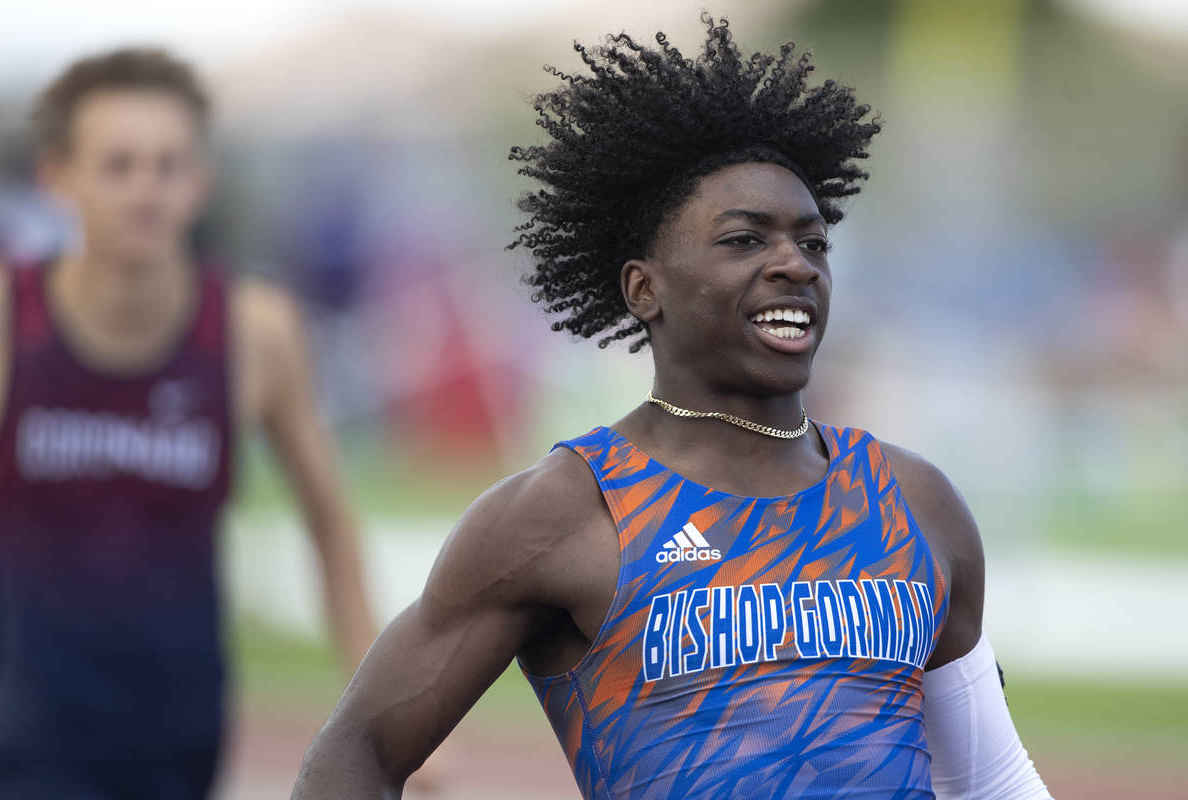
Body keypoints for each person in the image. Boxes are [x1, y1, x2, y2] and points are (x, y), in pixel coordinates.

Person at [293, 16, 1053, 799]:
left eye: (813, 242)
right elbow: (357, 753)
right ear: (643, 289)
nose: (794, 263)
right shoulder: (565, 514)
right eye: (744, 241)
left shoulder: (917, 502)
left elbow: (993, 782)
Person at [0, 48, 376, 797]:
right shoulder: (6, 318)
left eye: (168, 166)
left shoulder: (251, 331)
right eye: (119, 165)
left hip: (181, 733)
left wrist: (387, 724)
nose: (145, 190)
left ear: (202, 180)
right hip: (22, 733)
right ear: (57, 178)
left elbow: (330, 522)